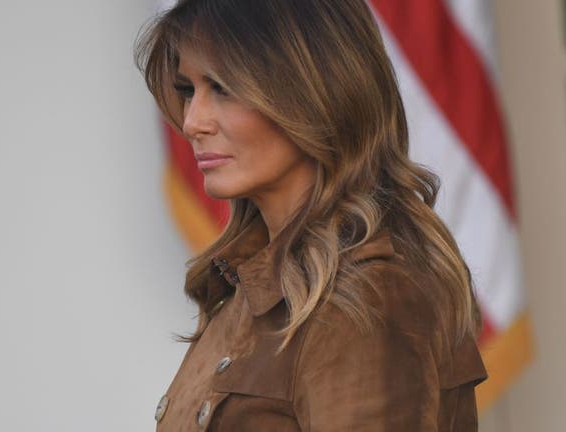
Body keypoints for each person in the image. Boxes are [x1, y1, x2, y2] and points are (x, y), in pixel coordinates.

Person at [135, 0, 488, 430]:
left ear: (313, 93)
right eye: (188, 90)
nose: (192, 121)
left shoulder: (366, 298)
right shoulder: (247, 289)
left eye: (223, 87)